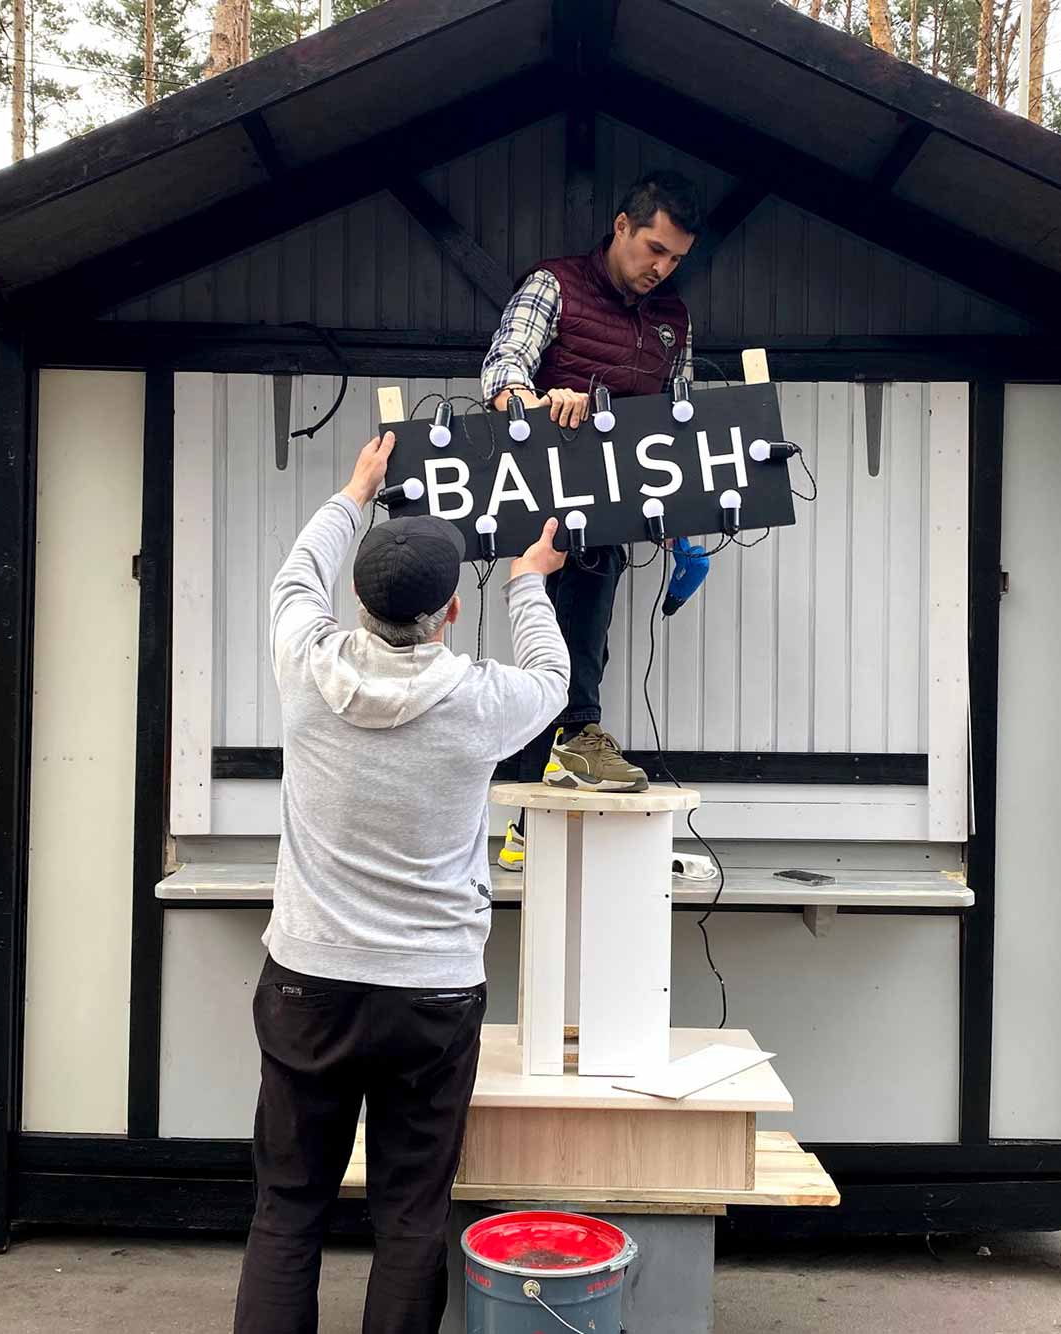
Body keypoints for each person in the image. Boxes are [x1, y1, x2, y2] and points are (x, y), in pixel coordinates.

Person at [234, 432, 570, 1334]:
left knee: (289, 1209)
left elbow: (294, 577)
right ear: (449, 612)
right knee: (411, 1217)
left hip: (308, 983)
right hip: (430, 993)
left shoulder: (306, 663)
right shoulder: (482, 701)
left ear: (356, 598)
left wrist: (354, 491)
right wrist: (529, 581)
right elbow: (554, 676)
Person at [480, 170, 702, 804]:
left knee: (586, 630)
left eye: (676, 259)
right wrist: (533, 399)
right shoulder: (554, 285)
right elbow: (502, 371)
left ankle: (539, 806)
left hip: (616, 504)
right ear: (622, 226)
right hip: (540, 496)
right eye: (654, 249)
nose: (662, 268)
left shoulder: (673, 319)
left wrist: (681, 517)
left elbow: (675, 417)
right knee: (556, 637)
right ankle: (576, 740)